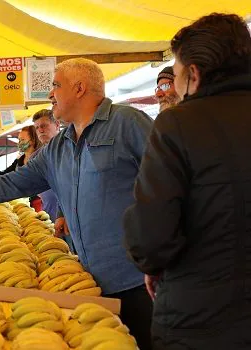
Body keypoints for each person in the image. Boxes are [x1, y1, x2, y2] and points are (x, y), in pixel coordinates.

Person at [0, 58, 154, 349]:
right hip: (87, 282)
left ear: (80, 88)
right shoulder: (57, 148)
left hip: (139, 278)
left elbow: (171, 184)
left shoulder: (128, 123)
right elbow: (10, 183)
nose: (50, 94)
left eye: (56, 86)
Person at [123, 13, 251, 349]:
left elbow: (152, 235)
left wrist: (151, 264)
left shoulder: (179, 124)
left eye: (176, 76)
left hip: (203, 319)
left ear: (193, 74)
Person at [32, 108, 76, 253]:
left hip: (70, 219)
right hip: (49, 219)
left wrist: (63, 214)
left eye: (44, 126)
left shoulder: (70, 148)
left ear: (57, 125)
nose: (40, 130)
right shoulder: (36, 157)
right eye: (37, 128)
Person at [0, 125, 43, 212]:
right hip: (22, 204)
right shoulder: (19, 161)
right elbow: (2, 175)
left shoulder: (41, 159)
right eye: (19, 140)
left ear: (33, 141)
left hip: (39, 203)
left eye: (22, 140)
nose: (19, 143)